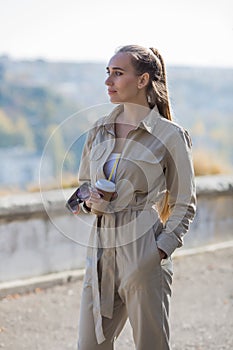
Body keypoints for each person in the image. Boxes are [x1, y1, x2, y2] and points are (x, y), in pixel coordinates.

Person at [77, 45, 196, 350]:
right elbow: (81, 188)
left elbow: (185, 203)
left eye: (118, 73)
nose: (109, 81)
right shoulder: (98, 130)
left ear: (142, 80)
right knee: (89, 345)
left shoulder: (171, 135)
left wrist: (157, 252)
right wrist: (89, 198)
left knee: (150, 345)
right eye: (108, 73)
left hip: (144, 245)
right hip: (101, 248)